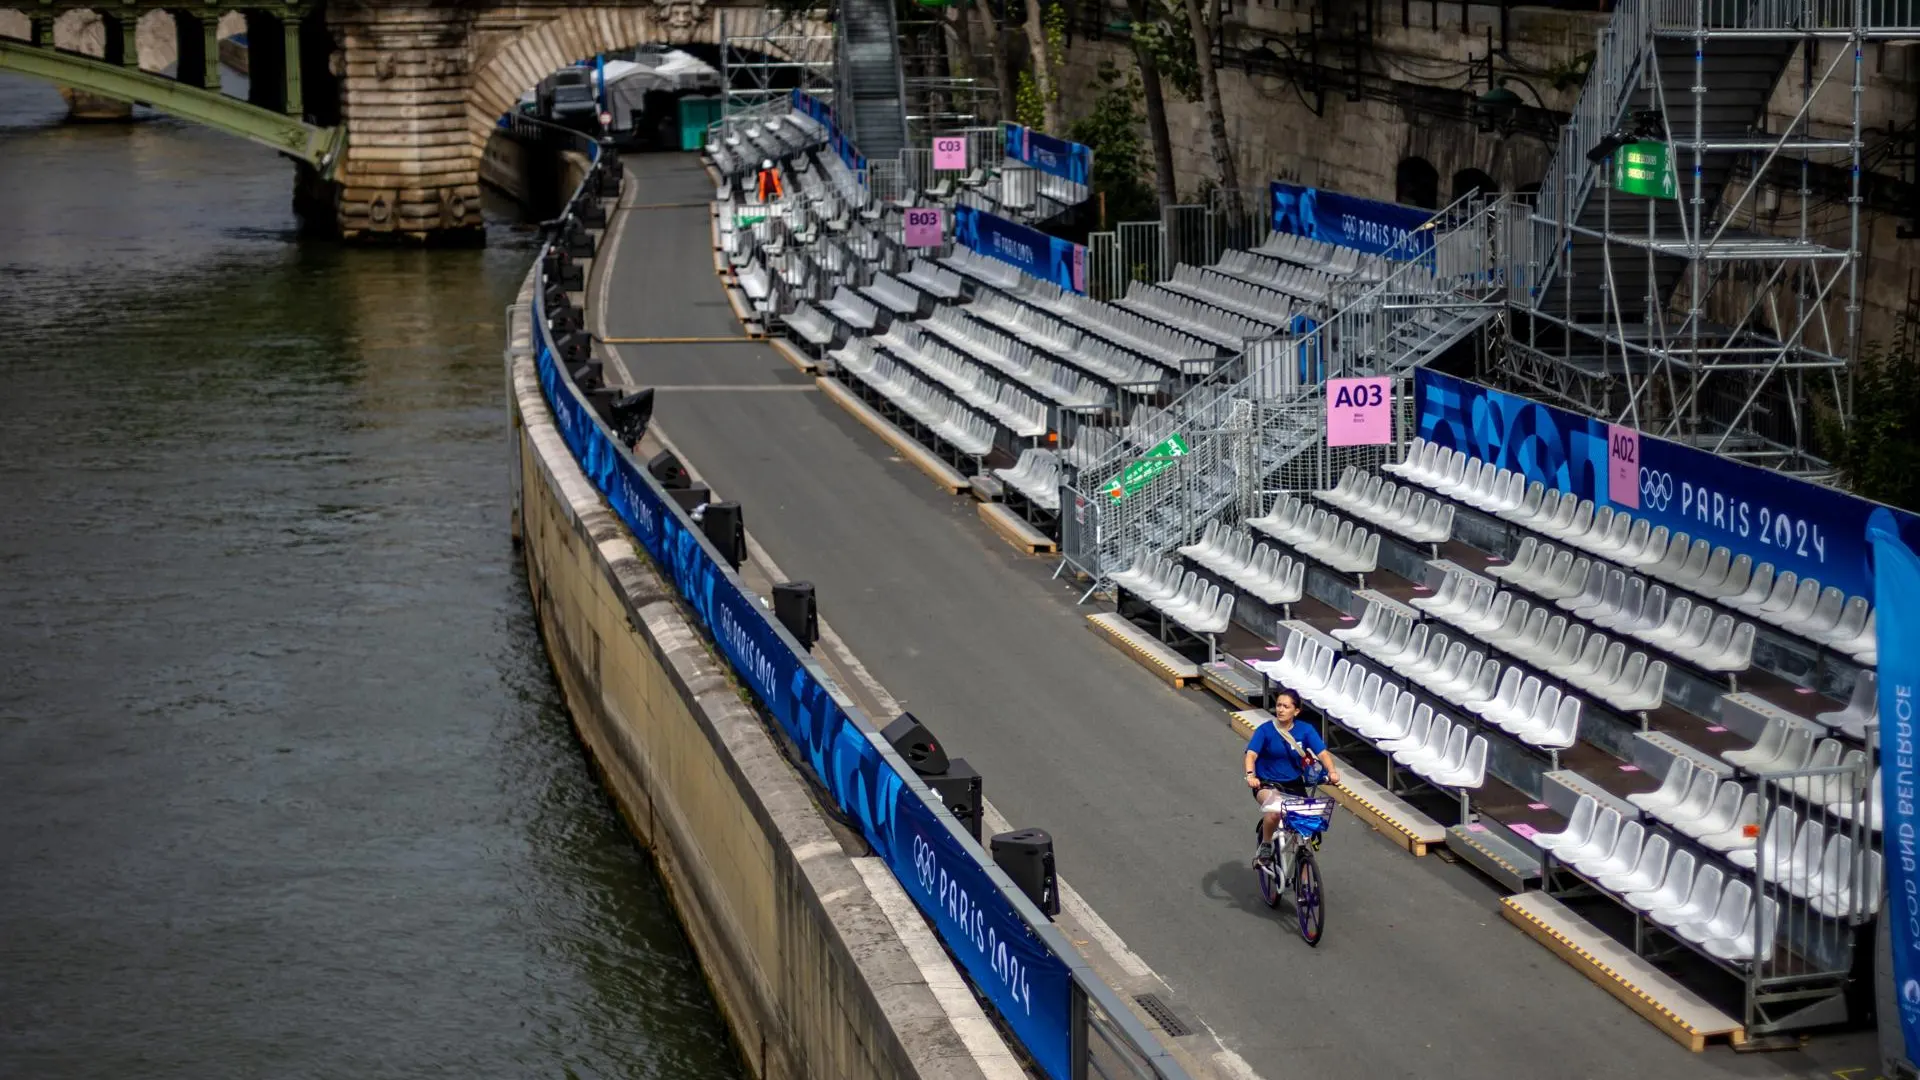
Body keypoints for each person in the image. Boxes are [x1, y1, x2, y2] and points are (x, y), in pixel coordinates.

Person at [1243, 689, 1340, 868]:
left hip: (1294, 783)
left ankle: (1304, 881)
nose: (1280, 709)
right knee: (1275, 810)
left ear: (1296, 711)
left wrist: (1332, 772)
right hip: (1266, 783)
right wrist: (1251, 776)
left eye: (1286, 706)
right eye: (1279, 705)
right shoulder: (1265, 730)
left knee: (1304, 834)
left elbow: (1322, 753)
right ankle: (1265, 845)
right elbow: (1251, 755)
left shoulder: (1305, 730)